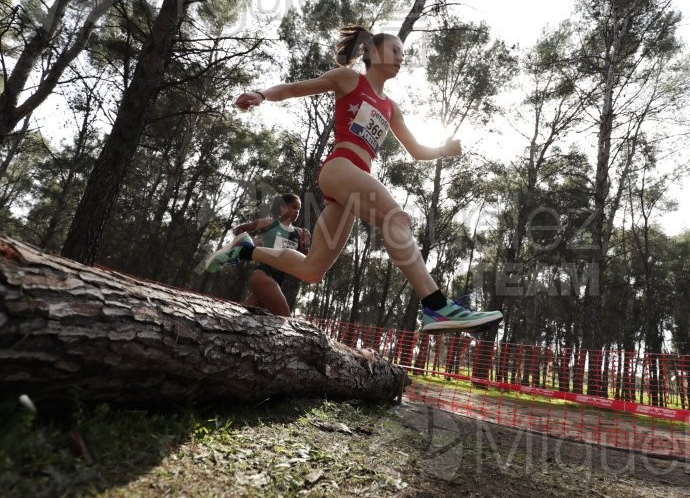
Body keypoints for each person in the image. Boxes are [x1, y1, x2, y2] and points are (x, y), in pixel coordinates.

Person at [204, 24, 502, 333]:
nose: (402, 57)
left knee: (311, 270)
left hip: (351, 183)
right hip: (339, 168)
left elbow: (415, 150)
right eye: (395, 50)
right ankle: (437, 307)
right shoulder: (350, 79)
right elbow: (294, 88)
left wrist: (443, 149)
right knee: (395, 219)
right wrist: (261, 95)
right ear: (373, 51)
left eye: (404, 53)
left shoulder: (391, 108)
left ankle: (245, 249)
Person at [230, 193, 310, 317]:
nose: (297, 211)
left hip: (278, 280)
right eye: (294, 207)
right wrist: (248, 244)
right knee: (285, 318)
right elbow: (239, 229)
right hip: (262, 275)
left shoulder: (298, 232)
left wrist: (307, 243)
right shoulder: (269, 223)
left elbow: (304, 259)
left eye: (299, 209)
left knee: (244, 317)